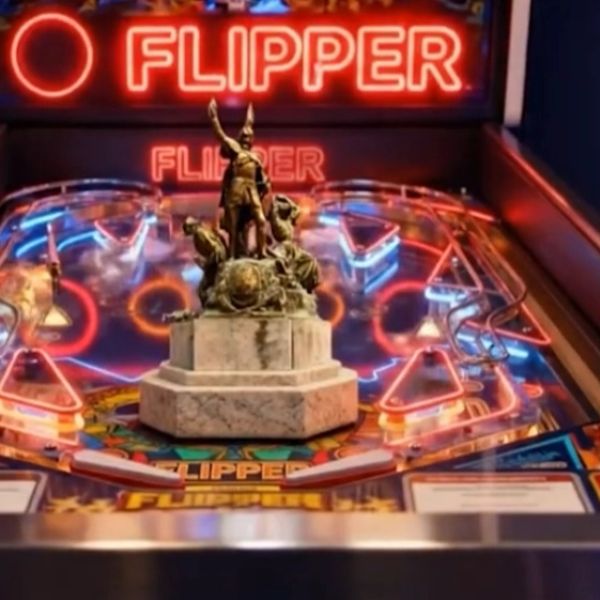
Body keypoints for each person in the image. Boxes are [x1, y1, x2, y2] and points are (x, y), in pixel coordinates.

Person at [207, 98, 270, 259]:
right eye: (245, 137)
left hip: (252, 189)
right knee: (233, 226)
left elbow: (261, 178)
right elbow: (221, 135)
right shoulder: (236, 150)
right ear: (240, 138)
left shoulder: (256, 157)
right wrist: (214, 118)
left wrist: (265, 184)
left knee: (261, 220)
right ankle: (232, 256)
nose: (247, 139)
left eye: (250, 137)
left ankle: (261, 252)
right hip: (237, 187)